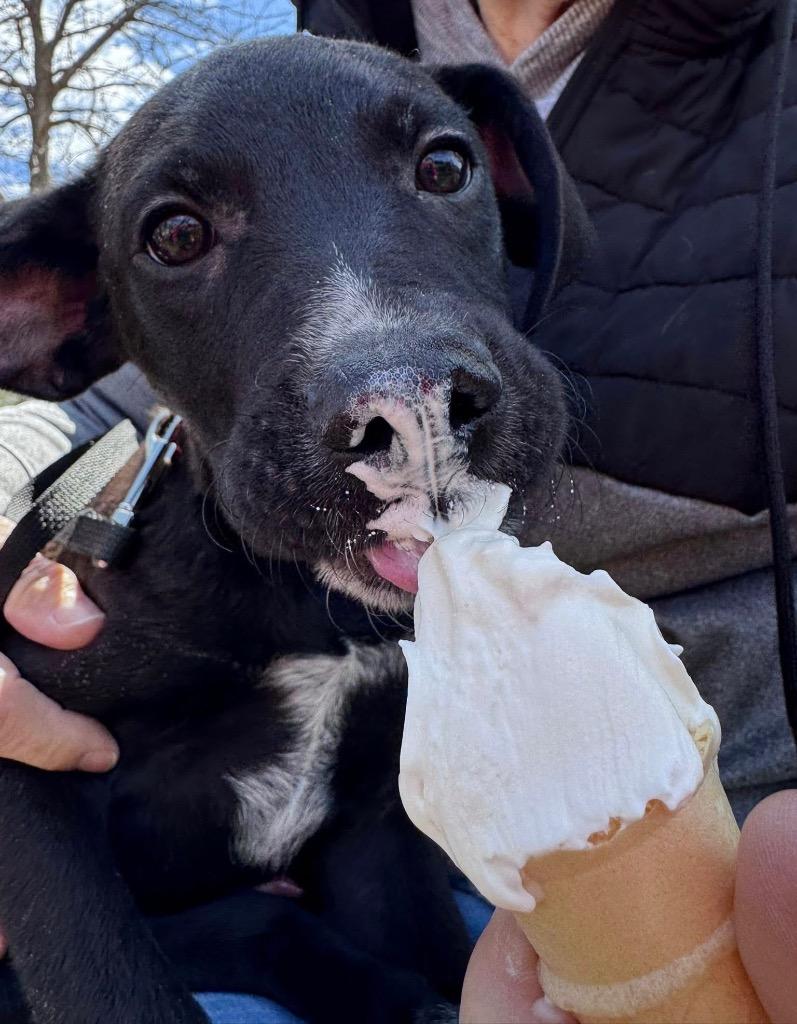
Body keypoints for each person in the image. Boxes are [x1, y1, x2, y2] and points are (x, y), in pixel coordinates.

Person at [1, 0, 797, 1020]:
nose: (396, 402)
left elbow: (374, 817)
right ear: (70, 308)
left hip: (659, 853)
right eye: (182, 233)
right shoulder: (128, 553)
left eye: (438, 171)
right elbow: (24, 749)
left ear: (509, 178)